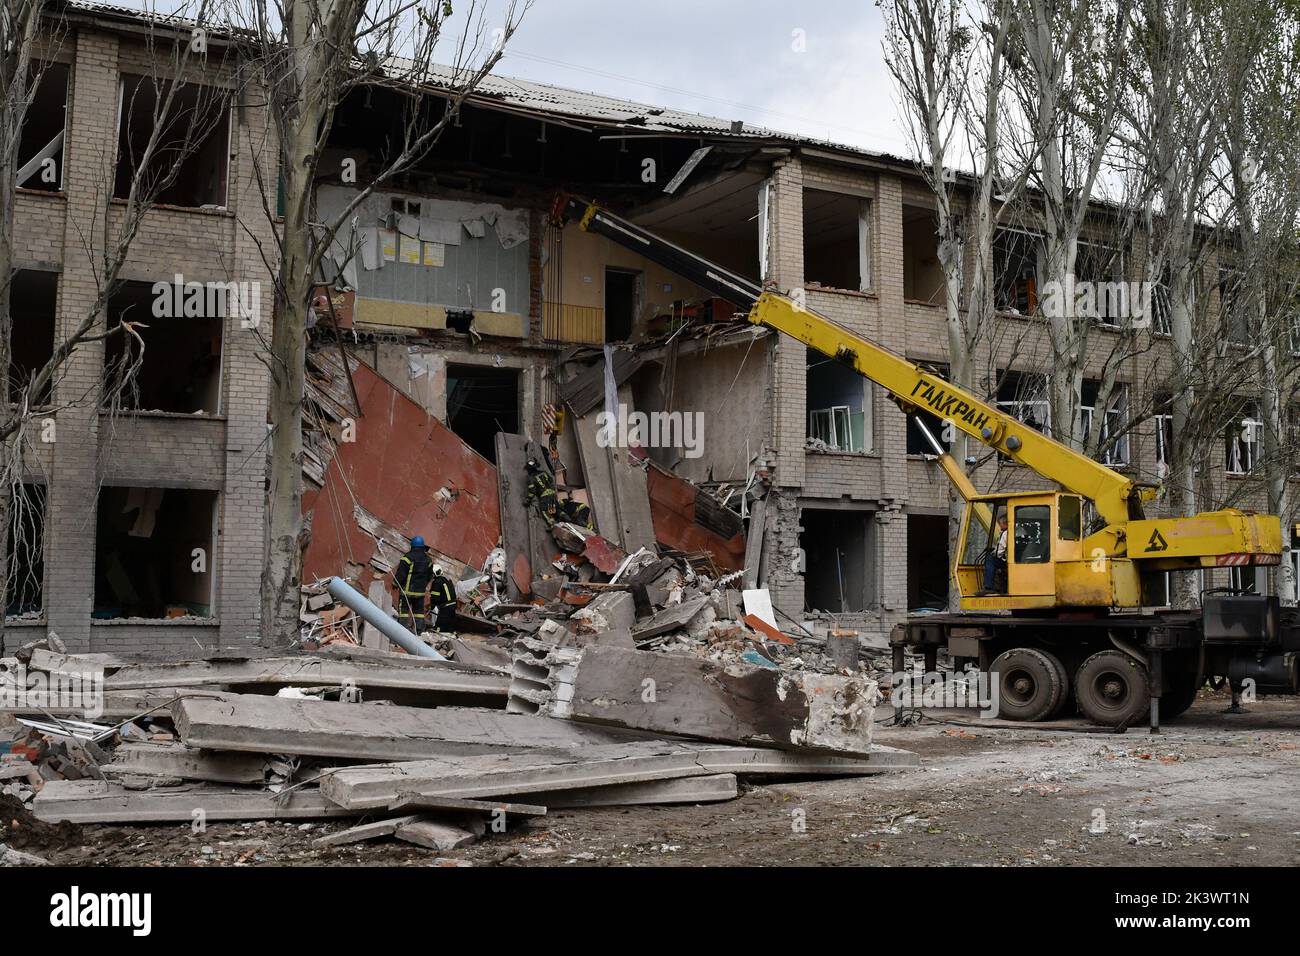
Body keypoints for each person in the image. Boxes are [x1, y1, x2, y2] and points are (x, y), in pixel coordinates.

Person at [393, 535, 434, 631]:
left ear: (412, 546)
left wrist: (395, 583)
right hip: (420, 593)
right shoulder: (428, 560)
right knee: (419, 613)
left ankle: (401, 631)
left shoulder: (407, 558)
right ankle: (419, 632)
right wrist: (423, 586)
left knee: (403, 611)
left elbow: (401, 574)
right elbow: (429, 576)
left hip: (407, 592)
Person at [525, 456, 558, 526]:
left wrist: (528, 500)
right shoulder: (544, 472)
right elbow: (551, 480)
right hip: (552, 494)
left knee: (544, 511)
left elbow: (532, 491)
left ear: (528, 469)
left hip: (544, 496)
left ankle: (553, 525)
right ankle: (559, 524)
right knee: (552, 510)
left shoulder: (530, 478)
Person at [982, 513, 1009, 594]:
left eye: (1000, 524)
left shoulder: (1006, 533)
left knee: (990, 560)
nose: (1000, 527)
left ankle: (989, 586)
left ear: (1005, 523)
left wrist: (993, 554)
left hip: (1007, 561)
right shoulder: (1019, 530)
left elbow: (1000, 550)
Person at [428, 563, 457, 632]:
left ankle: (436, 636)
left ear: (434, 573)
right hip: (453, 605)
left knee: (439, 626)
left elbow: (434, 597)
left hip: (446, 607)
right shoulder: (446, 580)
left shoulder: (436, 582)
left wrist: (432, 606)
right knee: (449, 626)